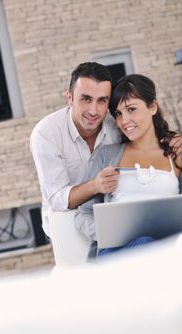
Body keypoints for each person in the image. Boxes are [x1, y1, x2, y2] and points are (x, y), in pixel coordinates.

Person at [30, 62, 182, 238]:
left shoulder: (116, 124)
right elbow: (58, 199)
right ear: (69, 97)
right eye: (86, 99)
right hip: (68, 225)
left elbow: (144, 132)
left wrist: (170, 140)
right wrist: (95, 186)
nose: (94, 110)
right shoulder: (47, 133)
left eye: (102, 100)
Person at [75, 74, 182, 257]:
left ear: (153, 107)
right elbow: (83, 214)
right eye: (118, 114)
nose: (124, 121)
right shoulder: (106, 155)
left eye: (131, 109)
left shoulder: (175, 151)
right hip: (117, 253)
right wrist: (106, 233)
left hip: (167, 249)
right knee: (147, 245)